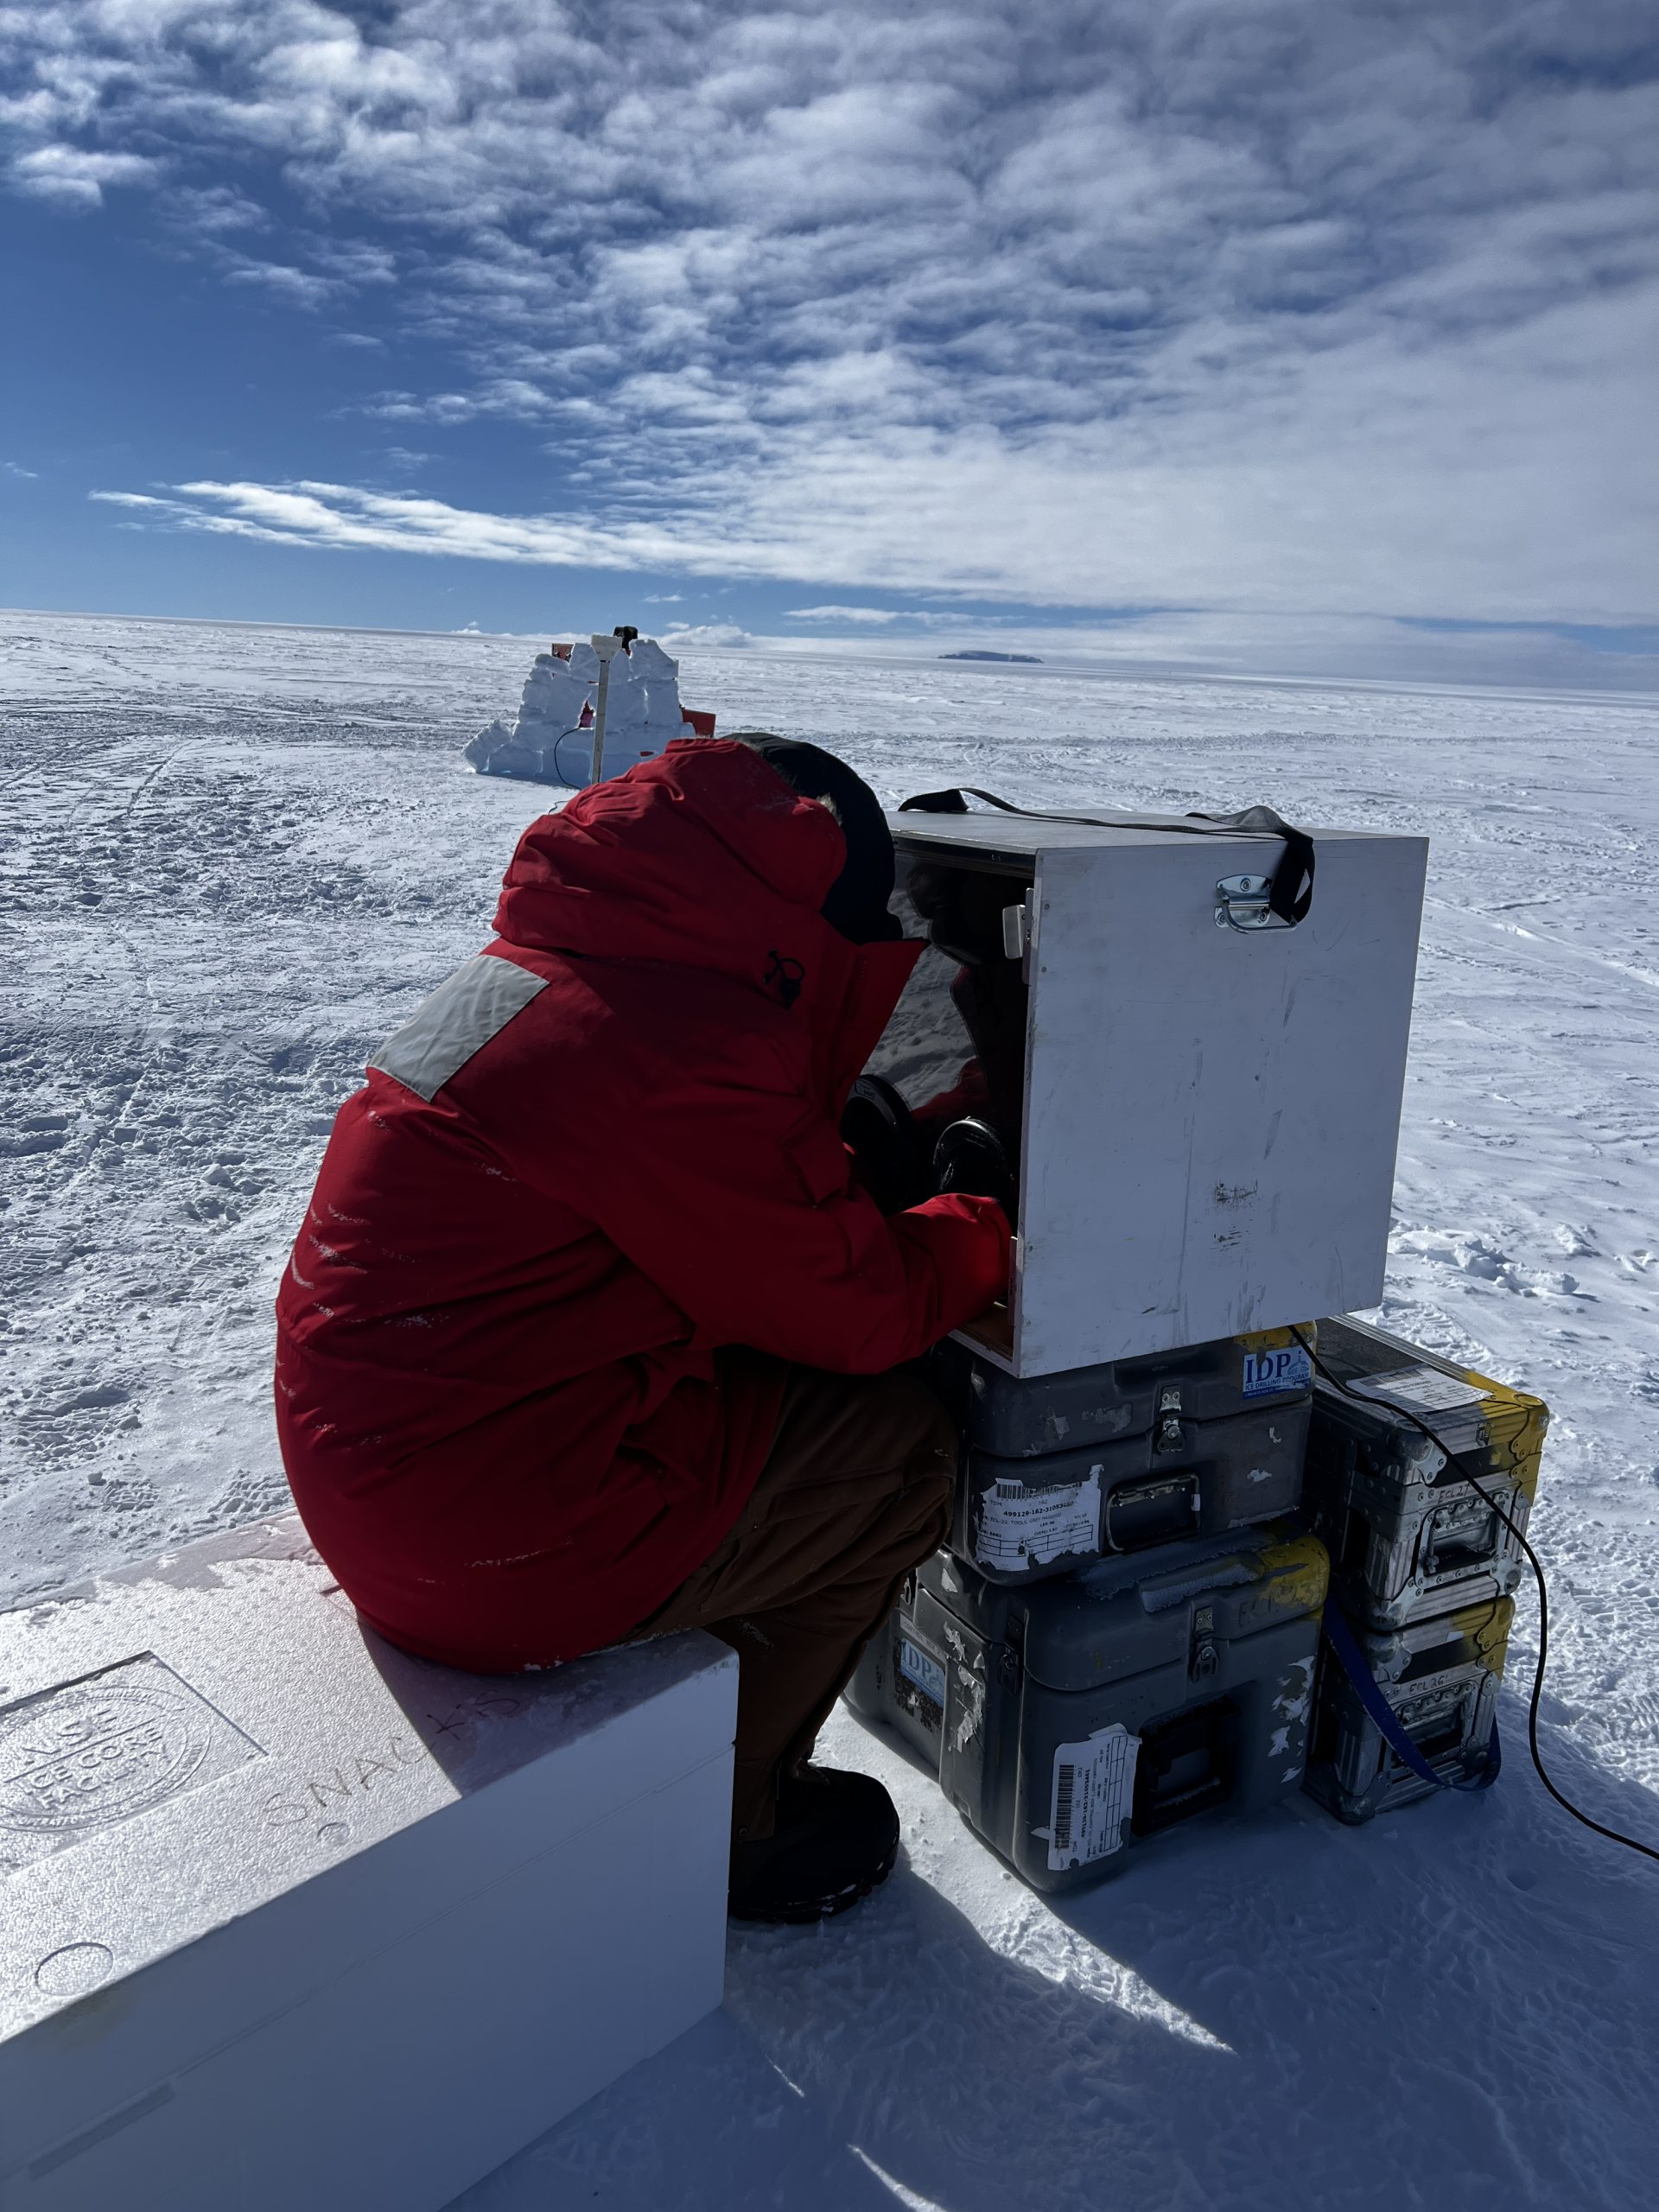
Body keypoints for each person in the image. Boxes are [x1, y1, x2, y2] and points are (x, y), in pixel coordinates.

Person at [274, 734, 1011, 1923]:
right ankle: (740, 1827)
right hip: (485, 1546)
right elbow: (863, 1311)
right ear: (797, 917)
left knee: (771, 1380)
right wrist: (984, 1229)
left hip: (383, 1476)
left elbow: (647, 1193)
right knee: (899, 1454)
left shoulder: (556, 977)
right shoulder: (677, 1051)